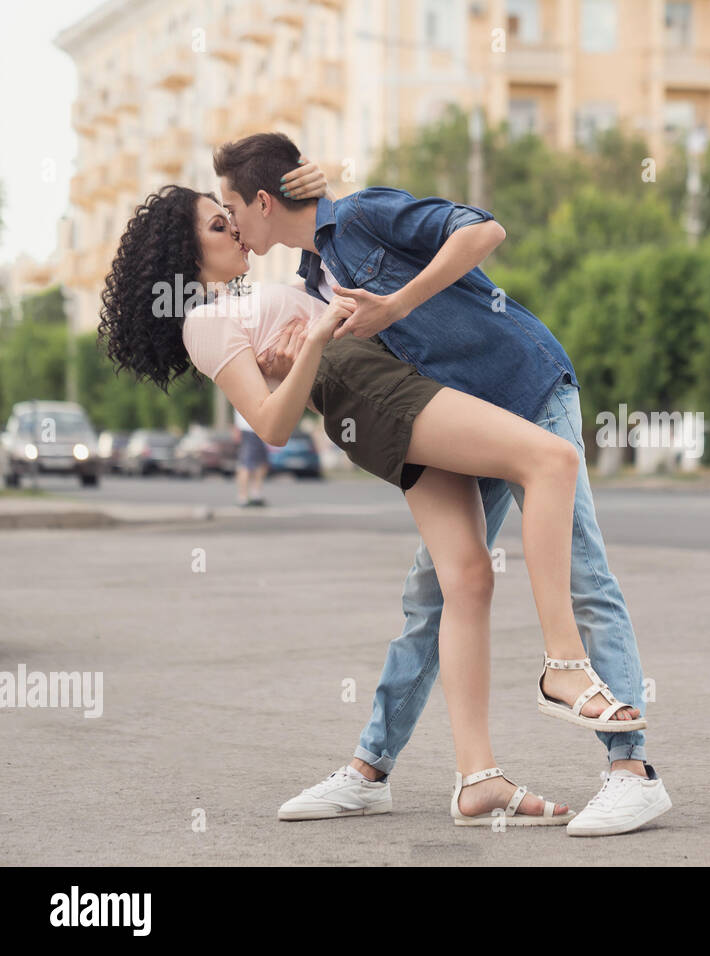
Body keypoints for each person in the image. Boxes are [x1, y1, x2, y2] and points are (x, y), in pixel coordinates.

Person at [98, 182, 646, 827]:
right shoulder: (204, 321)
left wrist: (312, 201)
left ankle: (479, 779)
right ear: (182, 254)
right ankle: (564, 665)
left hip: (383, 386)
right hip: (373, 391)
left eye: (232, 218)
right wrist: (311, 343)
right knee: (551, 460)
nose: (237, 232)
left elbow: (323, 255)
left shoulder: (245, 297)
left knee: (465, 578)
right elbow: (271, 425)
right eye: (220, 228)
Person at [232, 132, 671, 835]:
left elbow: (484, 230)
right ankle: (370, 772)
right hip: (470, 425)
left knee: (585, 573)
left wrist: (394, 303)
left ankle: (632, 772)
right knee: (437, 590)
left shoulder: (362, 214)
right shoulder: (313, 277)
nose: (233, 229)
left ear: (262, 199)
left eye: (232, 207)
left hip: (527, 388)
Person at [232, 407, 268, 506]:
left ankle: (256, 494)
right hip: (249, 428)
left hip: (258, 428)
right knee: (246, 464)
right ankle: (242, 496)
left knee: (261, 463)